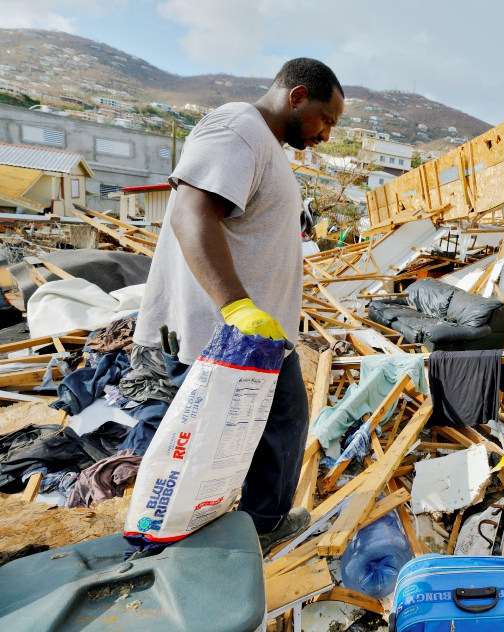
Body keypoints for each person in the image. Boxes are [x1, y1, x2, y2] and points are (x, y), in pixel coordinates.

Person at [133, 58, 345, 555]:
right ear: (296, 97)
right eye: (326, 119)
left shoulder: (261, 143)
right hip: (223, 335)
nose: (326, 135)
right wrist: (236, 307)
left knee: (282, 427)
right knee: (200, 450)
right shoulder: (237, 130)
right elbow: (190, 214)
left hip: (259, 337)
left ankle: (263, 524)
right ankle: (170, 552)